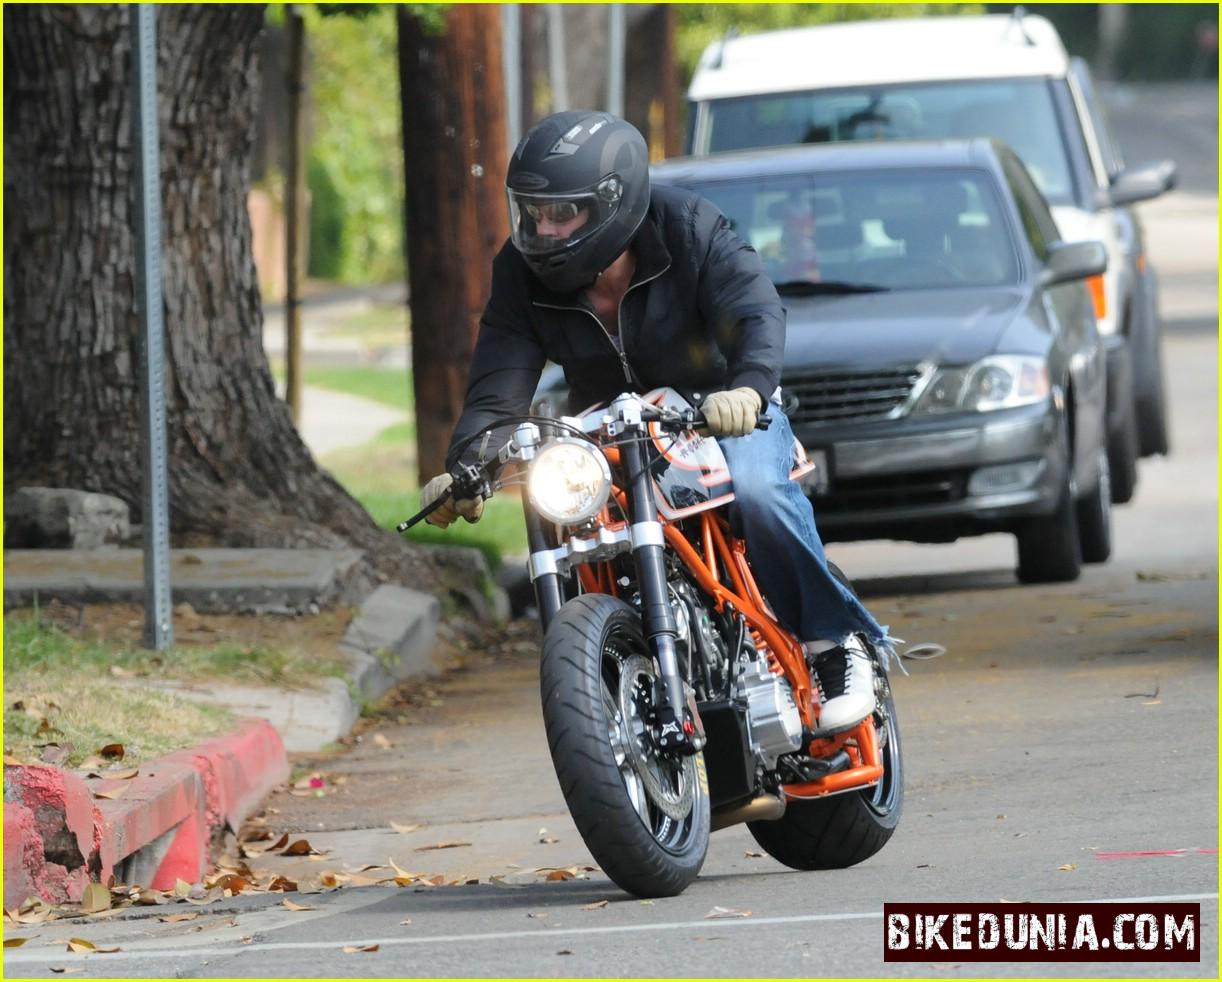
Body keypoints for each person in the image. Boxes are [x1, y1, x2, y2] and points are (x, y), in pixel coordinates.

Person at [419, 111, 890, 734]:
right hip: (606, 430)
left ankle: (837, 642)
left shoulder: (690, 227)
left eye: (564, 213)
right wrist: (467, 465)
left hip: (717, 413)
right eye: (534, 212)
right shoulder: (520, 273)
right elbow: (498, 380)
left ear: (615, 204)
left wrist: (747, 390)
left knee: (761, 494)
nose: (544, 228)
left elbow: (755, 312)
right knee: (568, 520)